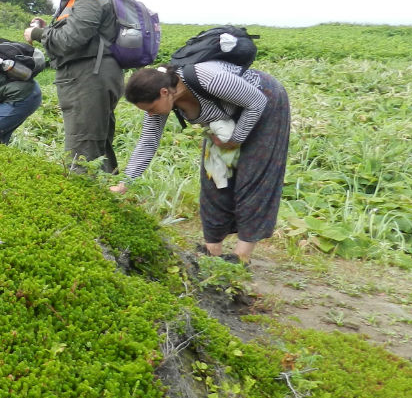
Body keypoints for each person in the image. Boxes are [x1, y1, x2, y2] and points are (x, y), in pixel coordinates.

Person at [108, 63, 291, 263]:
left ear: (164, 92)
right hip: (224, 122)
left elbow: (256, 102)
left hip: (265, 104)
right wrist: (125, 183)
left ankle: (241, 257)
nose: (151, 114)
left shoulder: (208, 79)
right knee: (213, 177)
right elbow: (148, 142)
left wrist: (235, 139)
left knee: (255, 176)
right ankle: (212, 250)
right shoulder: (159, 97)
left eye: (151, 109)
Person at [29, 0, 123, 172]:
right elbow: (78, 32)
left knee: (82, 147)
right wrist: (47, 28)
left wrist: (37, 34)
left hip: (87, 78)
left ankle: (82, 201)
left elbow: (69, 40)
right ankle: (106, 197)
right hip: (95, 75)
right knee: (97, 143)